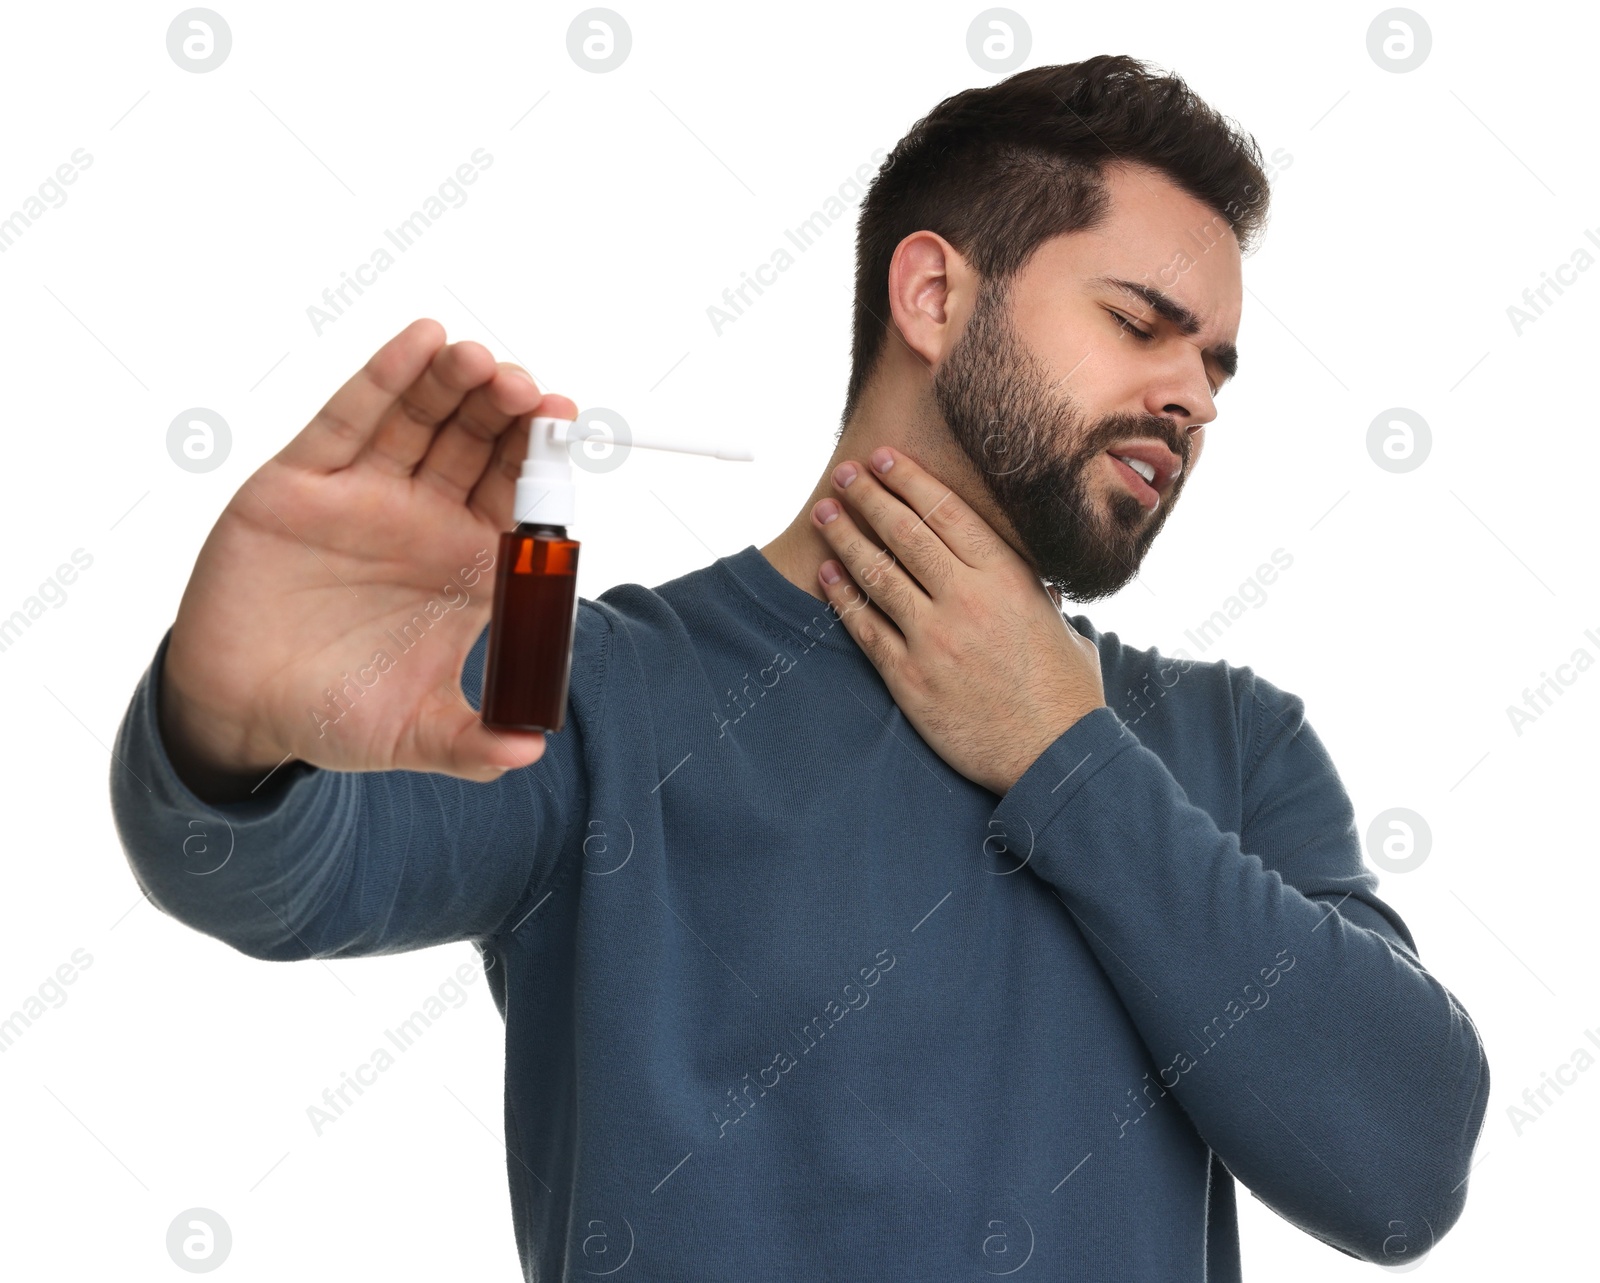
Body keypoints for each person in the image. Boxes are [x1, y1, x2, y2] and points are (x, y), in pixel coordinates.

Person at [110, 54, 1489, 1281]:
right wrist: (225, 734)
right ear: (936, 294)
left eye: (1217, 366)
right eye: (1140, 324)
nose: (1191, 395)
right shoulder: (601, 702)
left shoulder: (1230, 745)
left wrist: (1062, 753)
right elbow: (284, 869)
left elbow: (1402, 1171)